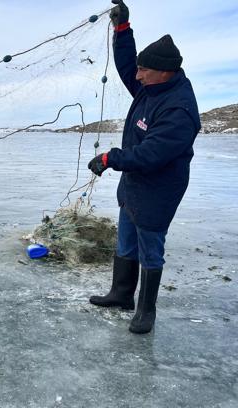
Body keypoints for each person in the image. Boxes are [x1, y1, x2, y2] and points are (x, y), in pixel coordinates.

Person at [87, 0, 201, 334]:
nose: (136, 76)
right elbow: (127, 66)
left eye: (144, 71)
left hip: (159, 190)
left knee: (150, 246)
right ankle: (122, 294)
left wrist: (111, 158)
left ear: (163, 71)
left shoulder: (179, 110)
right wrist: (123, 30)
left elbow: (152, 154)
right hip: (134, 185)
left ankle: (146, 310)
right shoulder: (152, 86)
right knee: (125, 239)